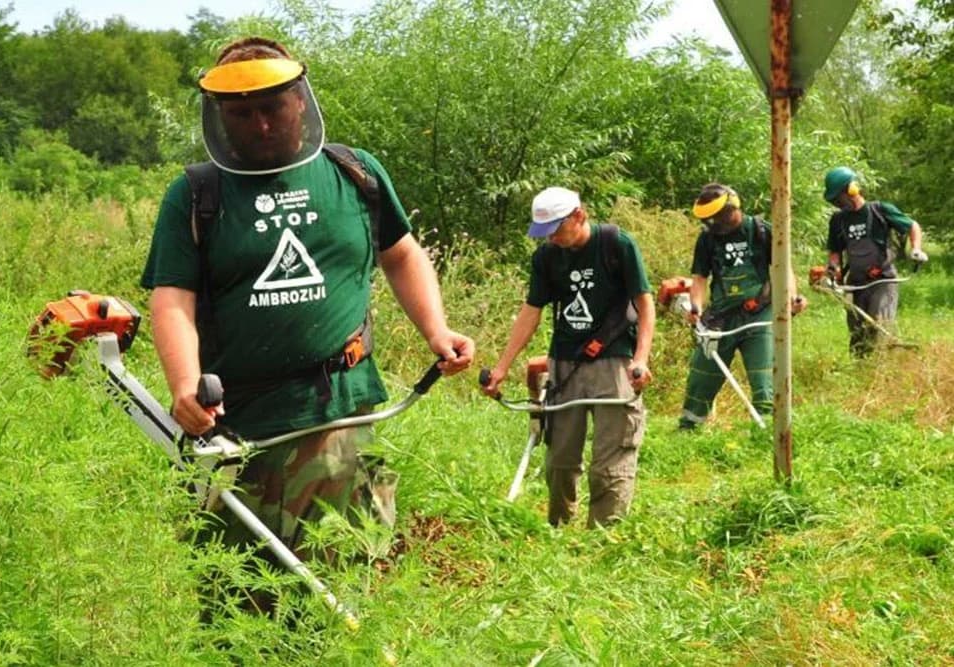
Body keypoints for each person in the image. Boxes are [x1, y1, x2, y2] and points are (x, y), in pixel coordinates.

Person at [140, 37, 474, 563]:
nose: (260, 125)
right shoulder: (197, 194)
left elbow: (403, 255)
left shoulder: (354, 172)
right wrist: (184, 384)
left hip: (340, 414)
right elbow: (173, 298)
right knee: (239, 585)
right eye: (242, 113)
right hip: (240, 427)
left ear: (300, 100)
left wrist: (437, 330)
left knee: (346, 571)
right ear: (220, 116)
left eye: (272, 107)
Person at [482, 186, 655, 528]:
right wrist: (502, 367)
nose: (552, 238)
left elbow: (644, 304)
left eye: (556, 229)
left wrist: (641, 358)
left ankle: (605, 535)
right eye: (544, 233)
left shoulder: (616, 245)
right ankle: (559, 529)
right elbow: (531, 312)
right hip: (565, 363)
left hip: (614, 361)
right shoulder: (547, 257)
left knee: (610, 461)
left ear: (579, 216)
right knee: (559, 460)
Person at [678, 183, 807, 430]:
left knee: (764, 376)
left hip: (760, 314)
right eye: (709, 219)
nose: (714, 224)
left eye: (717, 217)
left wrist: (792, 298)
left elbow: (783, 269)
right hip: (720, 317)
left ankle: (769, 432)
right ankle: (689, 427)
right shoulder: (707, 238)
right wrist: (696, 307)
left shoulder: (761, 231)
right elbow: (700, 278)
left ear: (732, 208)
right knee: (702, 374)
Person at [823, 166, 928, 356]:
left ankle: (882, 368)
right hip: (855, 284)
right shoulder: (838, 220)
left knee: (878, 327)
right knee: (858, 336)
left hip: (883, 281)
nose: (838, 204)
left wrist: (916, 249)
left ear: (852, 189)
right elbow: (835, 252)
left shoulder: (880, 210)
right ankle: (861, 370)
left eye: (839, 198)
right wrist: (832, 270)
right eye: (834, 201)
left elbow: (912, 226)